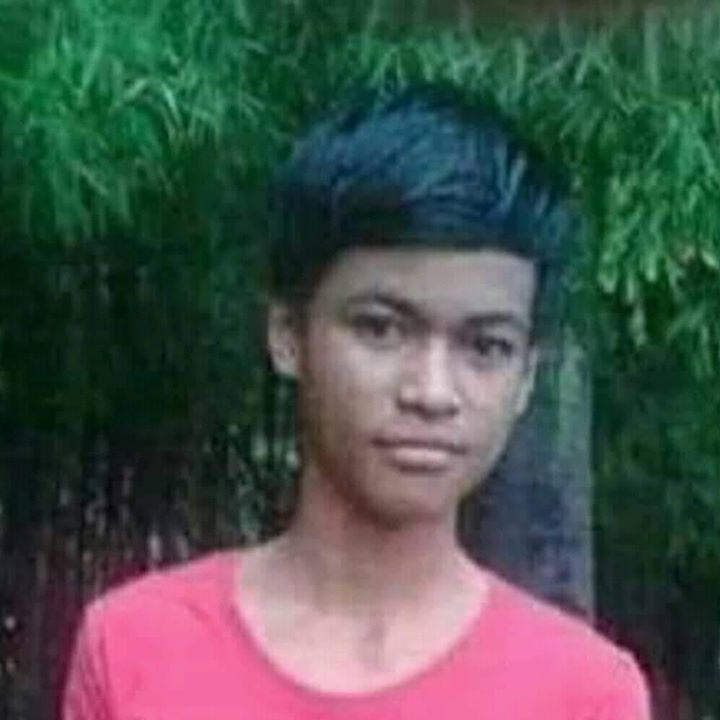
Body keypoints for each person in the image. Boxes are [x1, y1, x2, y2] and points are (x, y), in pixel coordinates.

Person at [62, 81, 651, 719]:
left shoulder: (584, 693)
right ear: (288, 334)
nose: (432, 392)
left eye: (486, 346)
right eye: (381, 328)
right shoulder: (134, 648)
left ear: (527, 377)